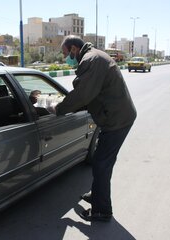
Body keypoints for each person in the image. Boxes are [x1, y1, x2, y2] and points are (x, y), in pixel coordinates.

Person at [55, 35, 137, 222]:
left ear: (74, 49)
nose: (65, 57)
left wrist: (58, 108)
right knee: (101, 161)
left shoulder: (91, 60)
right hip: (115, 116)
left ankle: (102, 211)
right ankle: (98, 195)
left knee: (101, 163)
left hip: (117, 120)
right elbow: (90, 93)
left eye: (65, 53)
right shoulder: (94, 56)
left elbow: (83, 94)